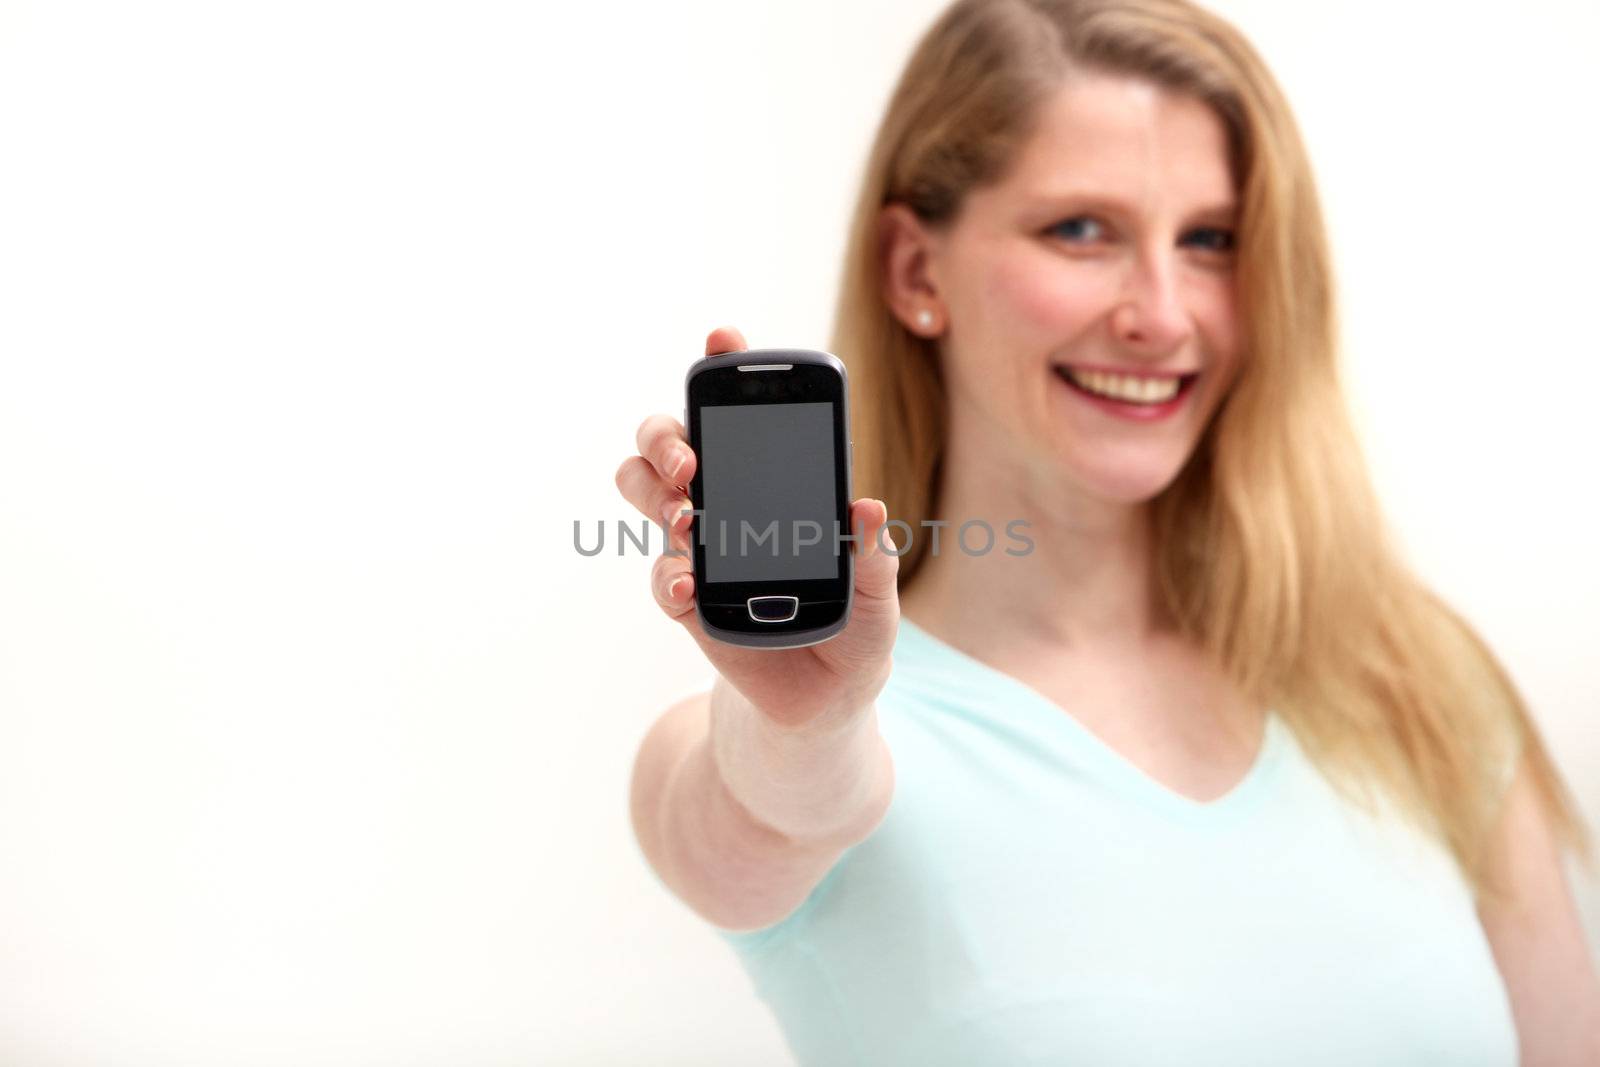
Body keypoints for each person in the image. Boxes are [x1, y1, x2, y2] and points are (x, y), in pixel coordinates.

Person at [615, 0, 1600, 1062]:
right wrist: (808, 725)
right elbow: (766, 809)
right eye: (1080, 229)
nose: (1163, 313)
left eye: (1211, 240)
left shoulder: (1410, 679)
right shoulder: (800, 739)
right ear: (915, 270)